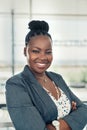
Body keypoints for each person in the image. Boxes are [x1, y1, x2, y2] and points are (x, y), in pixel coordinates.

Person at [5, 20, 87, 130]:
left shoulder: (57, 78)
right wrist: (71, 118)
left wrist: (56, 126)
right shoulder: (16, 84)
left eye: (48, 52)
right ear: (25, 51)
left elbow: (84, 110)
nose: (43, 57)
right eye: (36, 51)